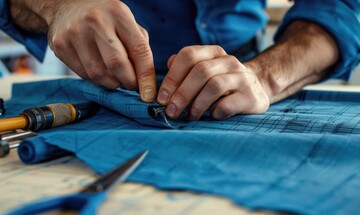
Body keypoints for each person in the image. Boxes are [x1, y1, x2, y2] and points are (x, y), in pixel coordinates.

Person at [0, 0, 359, 121]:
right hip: (111, 89)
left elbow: (340, 7)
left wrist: (265, 77)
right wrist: (56, 5)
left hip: (247, 80)